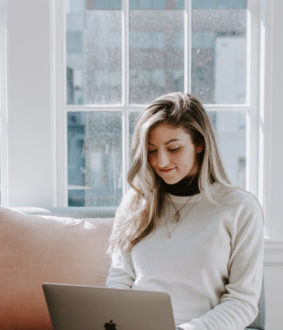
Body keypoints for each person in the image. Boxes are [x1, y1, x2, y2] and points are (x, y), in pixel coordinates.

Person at [106, 92, 264, 330]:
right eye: (151, 150)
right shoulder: (135, 202)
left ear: (199, 144)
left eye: (173, 148)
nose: (161, 161)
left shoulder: (240, 208)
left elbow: (243, 302)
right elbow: (119, 280)